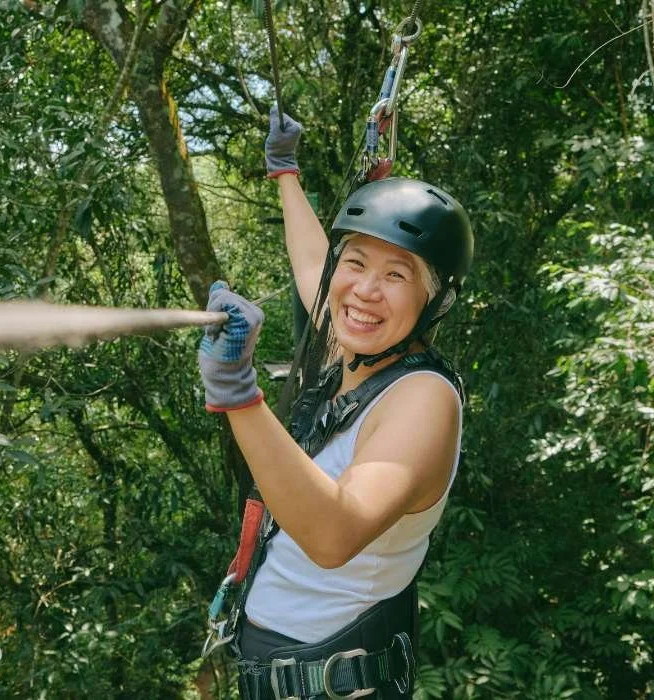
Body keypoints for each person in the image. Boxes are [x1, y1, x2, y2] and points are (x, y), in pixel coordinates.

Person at [197, 107, 473, 700]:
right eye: (356, 264)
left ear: (434, 302)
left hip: (335, 684)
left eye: (397, 275)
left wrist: (238, 394)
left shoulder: (422, 398)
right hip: (272, 671)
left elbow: (334, 533)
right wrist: (284, 173)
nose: (365, 290)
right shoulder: (349, 353)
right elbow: (310, 263)